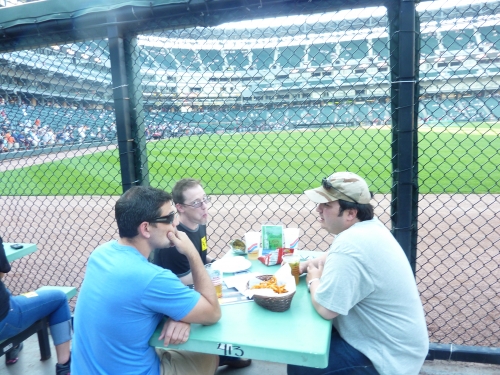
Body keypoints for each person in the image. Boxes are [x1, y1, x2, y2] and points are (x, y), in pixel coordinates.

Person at [288, 171, 428, 375]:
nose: (318, 209)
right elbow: (334, 256)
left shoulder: (350, 244)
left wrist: (313, 281)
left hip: (386, 359)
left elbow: (326, 309)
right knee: (308, 337)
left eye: (326, 205)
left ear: (350, 213)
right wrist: (307, 264)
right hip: (395, 347)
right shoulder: (369, 228)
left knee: (303, 361)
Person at [71, 186, 221, 375]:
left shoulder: (100, 253)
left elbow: (134, 306)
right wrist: (192, 253)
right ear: (146, 228)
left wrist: (180, 316)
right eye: (168, 218)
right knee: (208, 355)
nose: (174, 224)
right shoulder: (153, 278)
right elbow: (212, 312)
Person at [153, 178, 252, 369]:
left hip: (193, 285)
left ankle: (221, 354)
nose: (204, 206)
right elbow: (181, 279)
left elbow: (199, 257)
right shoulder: (174, 242)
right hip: (176, 299)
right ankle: (218, 354)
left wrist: (217, 262)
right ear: (180, 208)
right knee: (220, 308)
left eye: (205, 199)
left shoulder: (199, 223)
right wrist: (216, 270)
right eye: (196, 203)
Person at [0, 236, 72, 375]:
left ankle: (13, 346)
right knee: (59, 298)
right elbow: (1, 272)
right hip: (5, 320)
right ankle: (65, 367)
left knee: (10, 296)